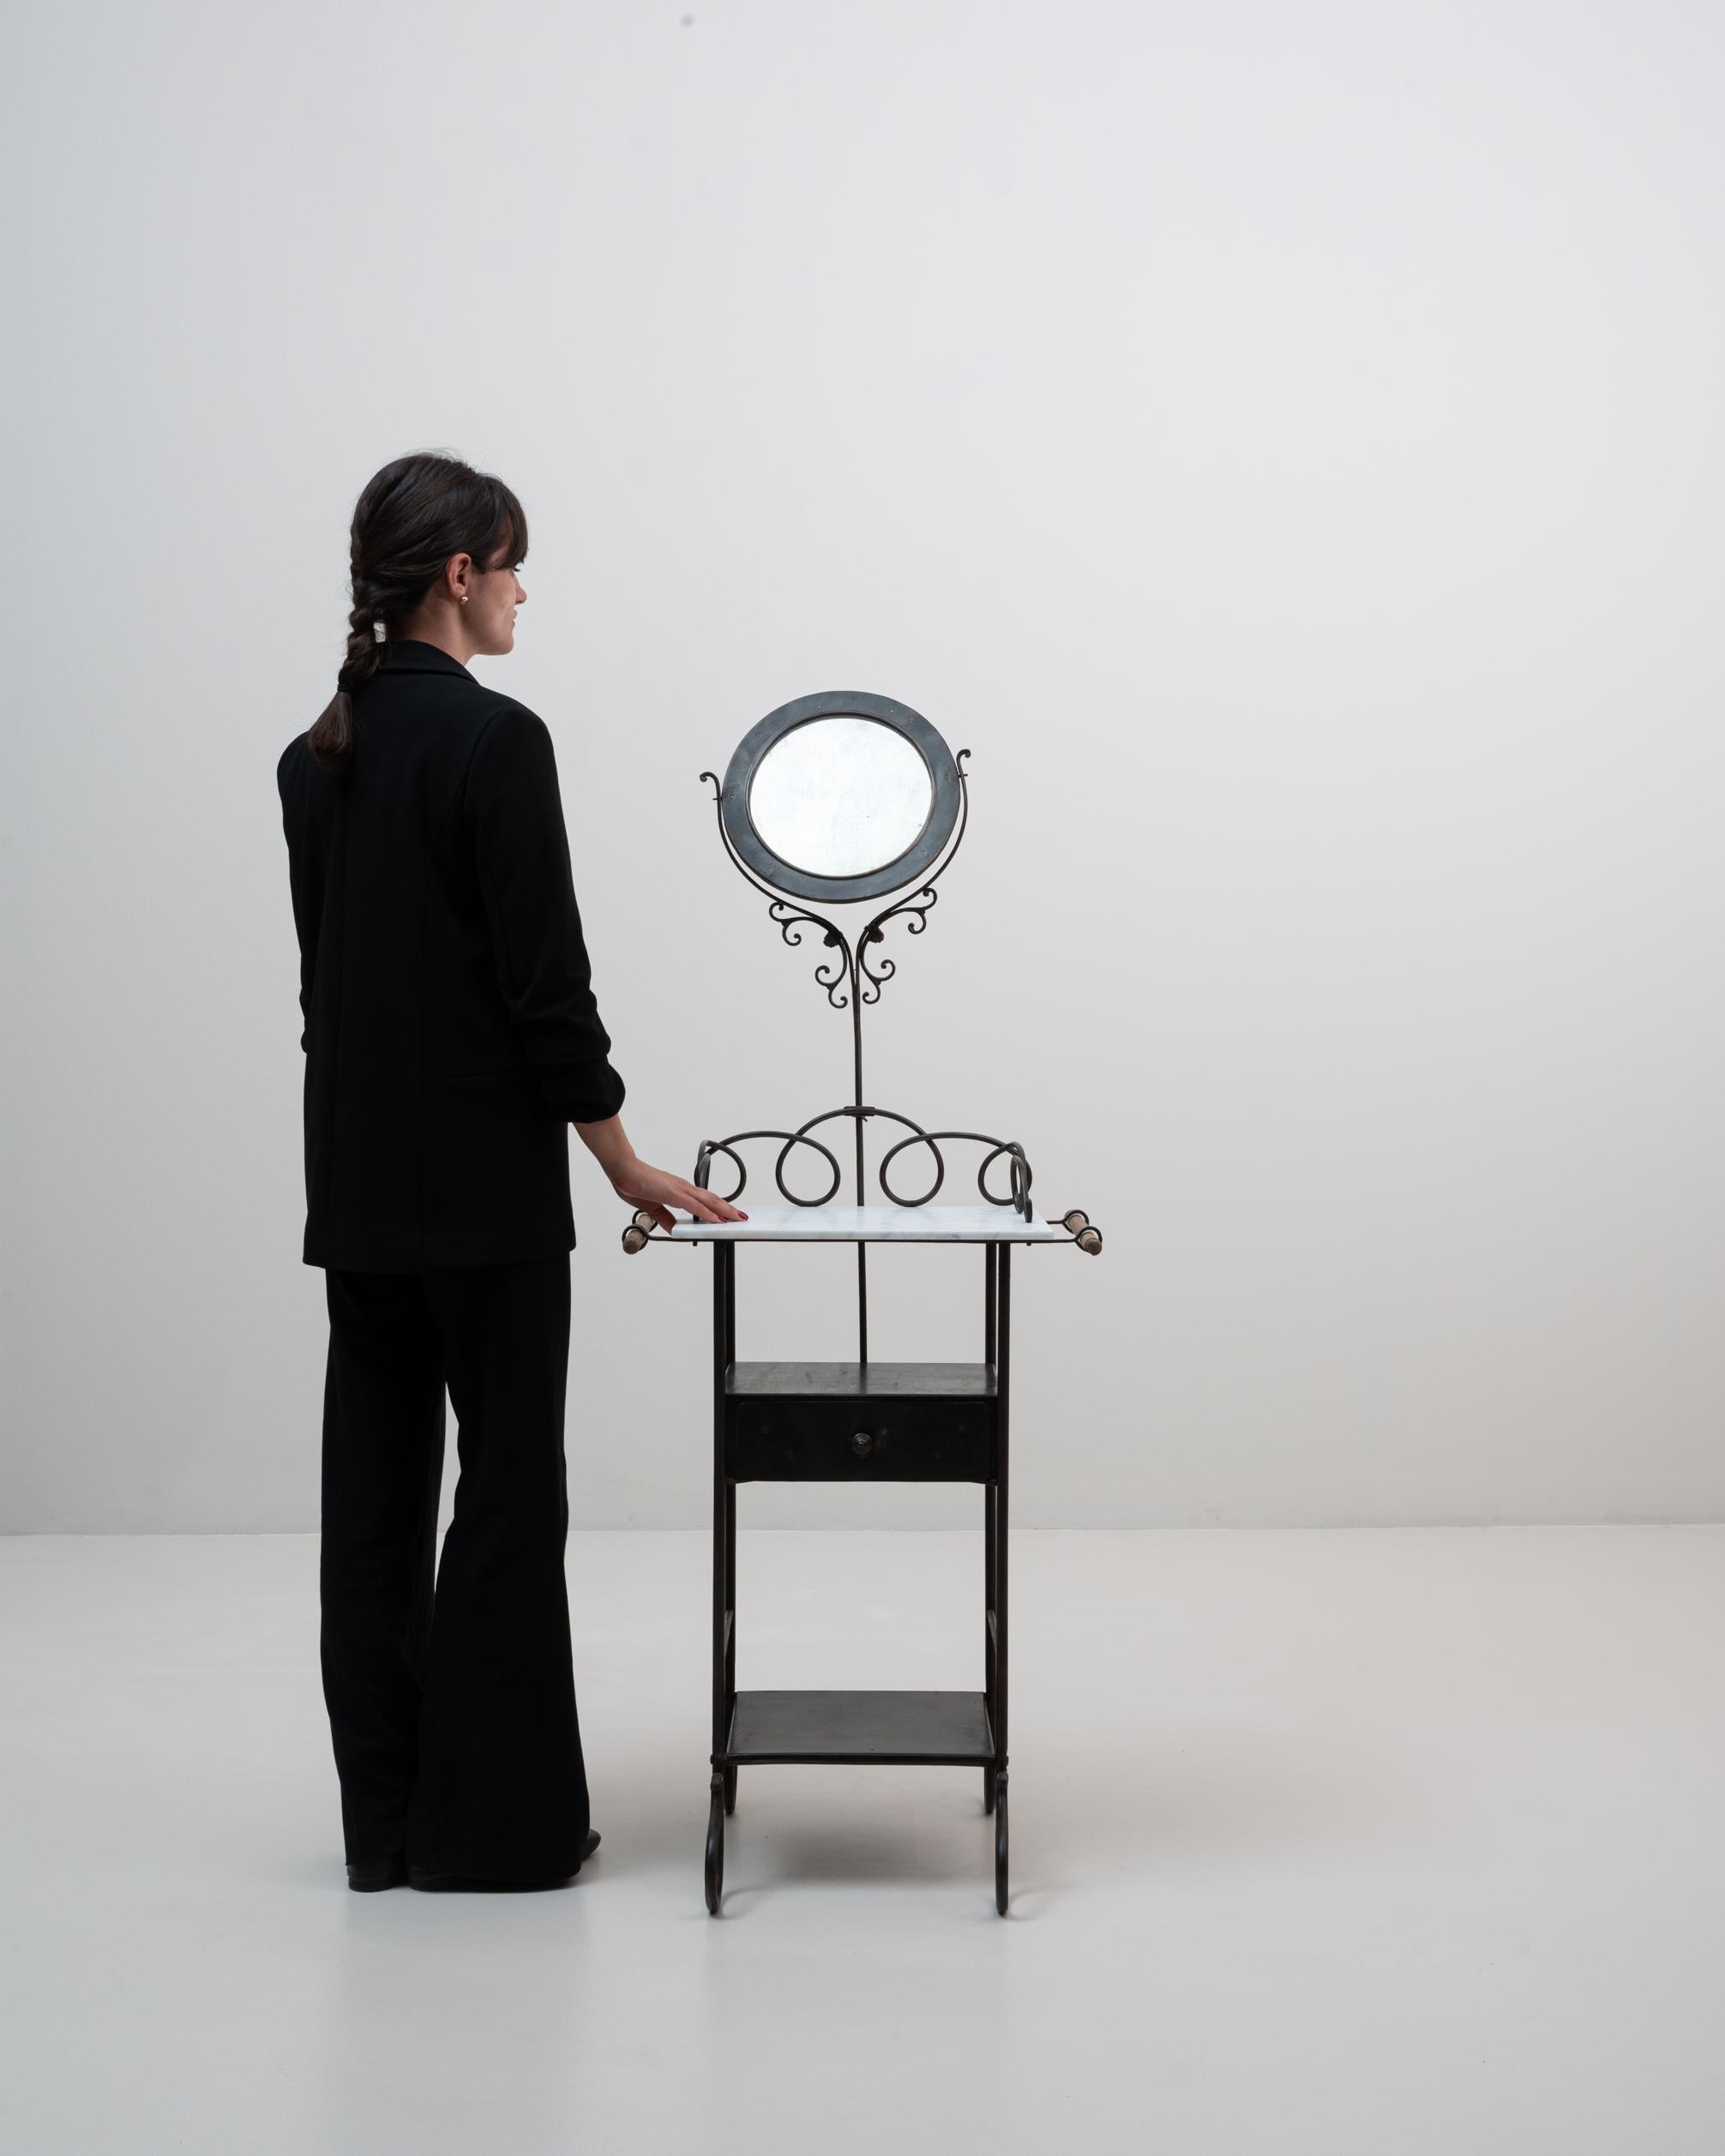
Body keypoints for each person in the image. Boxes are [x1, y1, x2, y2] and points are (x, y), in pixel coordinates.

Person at [276, 451, 744, 1894]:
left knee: (371, 1503)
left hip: (359, 1190)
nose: (526, 589)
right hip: (485, 1192)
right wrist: (621, 1160)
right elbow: (548, 987)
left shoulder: (315, 757)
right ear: (456, 576)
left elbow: (327, 991)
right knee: (504, 1498)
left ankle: (388, 1832)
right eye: (512, 563)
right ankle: (494, 1835)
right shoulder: (499, 742)